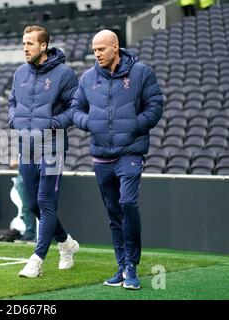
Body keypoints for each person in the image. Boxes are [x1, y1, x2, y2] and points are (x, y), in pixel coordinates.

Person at [69, 30, 163, 290]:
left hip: (130, 152)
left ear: (116, 47)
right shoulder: (88, 78)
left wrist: (134, 125)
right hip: (101, 155)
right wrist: (88, 123)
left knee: (128, 203)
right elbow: (75, 109)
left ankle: (132, 265)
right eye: (94, 49)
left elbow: (155, 105)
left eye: (101, 49)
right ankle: (121, 265)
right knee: (113, 212)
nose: (96, 54)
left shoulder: (141, 72)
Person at [8, 25, 80, 278]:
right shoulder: (19, 73)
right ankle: (66, 243)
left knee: (46, 203)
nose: (25, 47)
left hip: (52, 147)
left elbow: (76, 108)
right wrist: (13, 120)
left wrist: (54, 123)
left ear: (43, 46)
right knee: (31, 204)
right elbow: (12, 102)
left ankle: (37, 260)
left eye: (29, 43)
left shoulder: (65, 74)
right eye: (23, 43)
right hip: (26, 148)